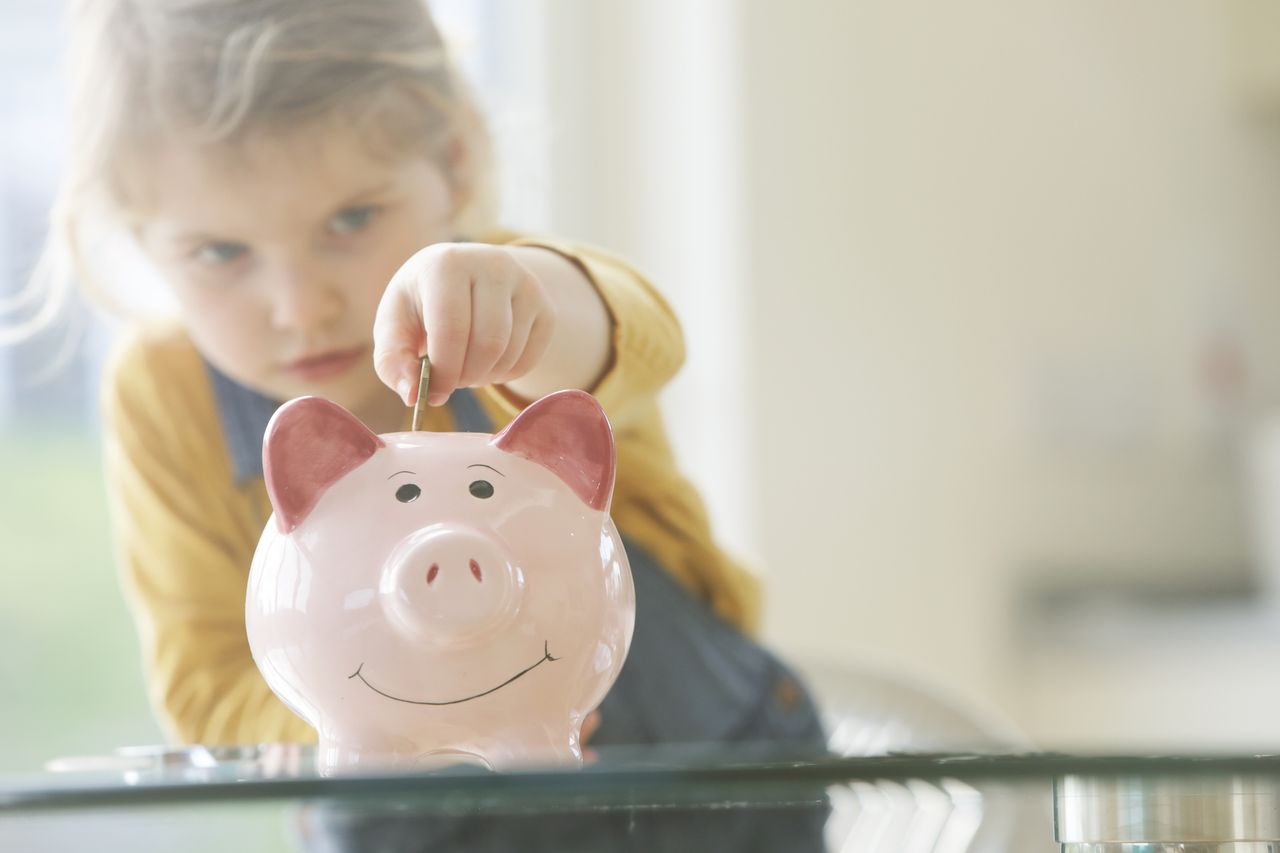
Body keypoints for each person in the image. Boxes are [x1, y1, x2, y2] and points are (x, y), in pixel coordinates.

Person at [41, 0, 825, 767]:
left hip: (703, 767)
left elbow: (645, 339)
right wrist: (399, 722)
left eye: (351, 220)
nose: (302, 307)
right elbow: (209, 696)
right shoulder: (167, 396)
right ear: (141, 242)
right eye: (220, 254)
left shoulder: (519, 301)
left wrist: (532, 304)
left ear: (453, 163)